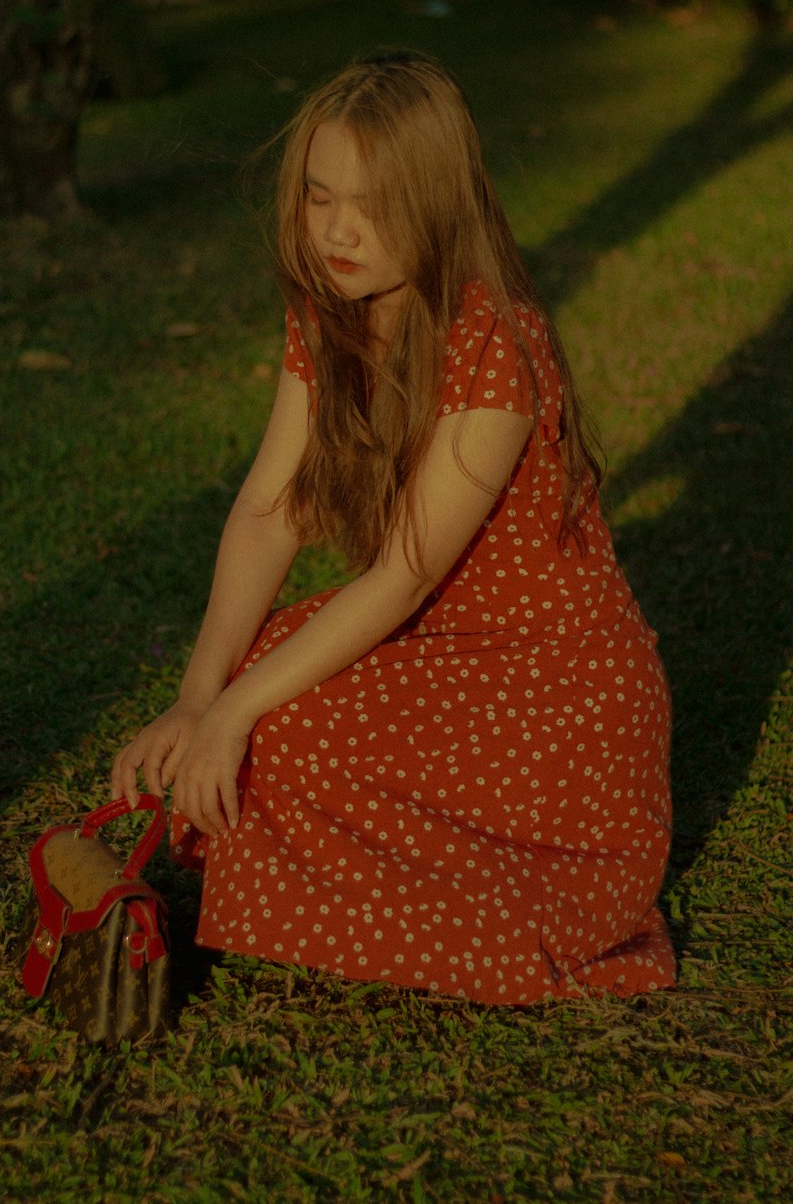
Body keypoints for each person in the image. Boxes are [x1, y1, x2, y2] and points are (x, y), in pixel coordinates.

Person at [111, 51, 675, 1005]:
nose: (338, 231)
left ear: (438, 203)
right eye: (319, 197)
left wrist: (237, 711)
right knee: (268, 668)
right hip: (437, 644)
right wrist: (198, 696)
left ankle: (440, 904)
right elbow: (268, 508)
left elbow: (406, 573)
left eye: (370, 205)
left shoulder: (497, 336)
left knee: (272, 716)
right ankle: (292, 875)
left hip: (550, 686)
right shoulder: (326, 311)